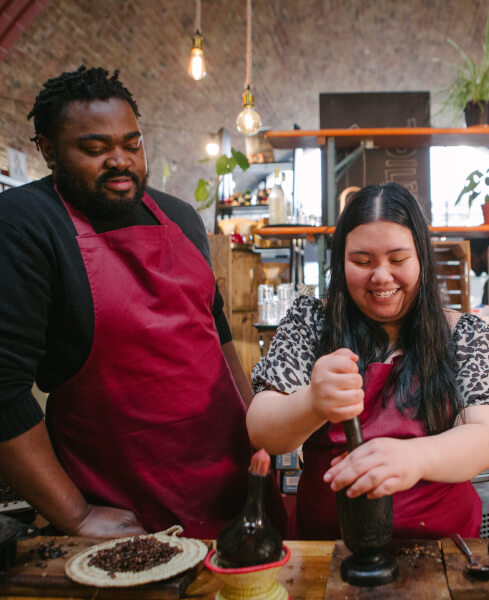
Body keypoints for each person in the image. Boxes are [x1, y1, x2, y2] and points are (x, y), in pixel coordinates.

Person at [0, 66, 280, 539]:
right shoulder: (26, 224)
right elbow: (3, 391)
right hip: (124, 510)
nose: (120, 161)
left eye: (132, 144)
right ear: (48, 149)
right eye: (95, 148)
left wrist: (262, 436)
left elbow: (219, 337)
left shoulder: (180, 217)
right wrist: (76, 514)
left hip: (234, 487)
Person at [247, 182, 489, 539]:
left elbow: (484, 437)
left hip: (443, 551)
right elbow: (262, 430)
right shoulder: (310, 322)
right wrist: (313, 402)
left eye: (398, 260)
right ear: (340, 262)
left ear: (422, 259)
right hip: (328, 551)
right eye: (362, 261)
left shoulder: (463, 333)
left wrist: (414, 458)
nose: (381, 276)